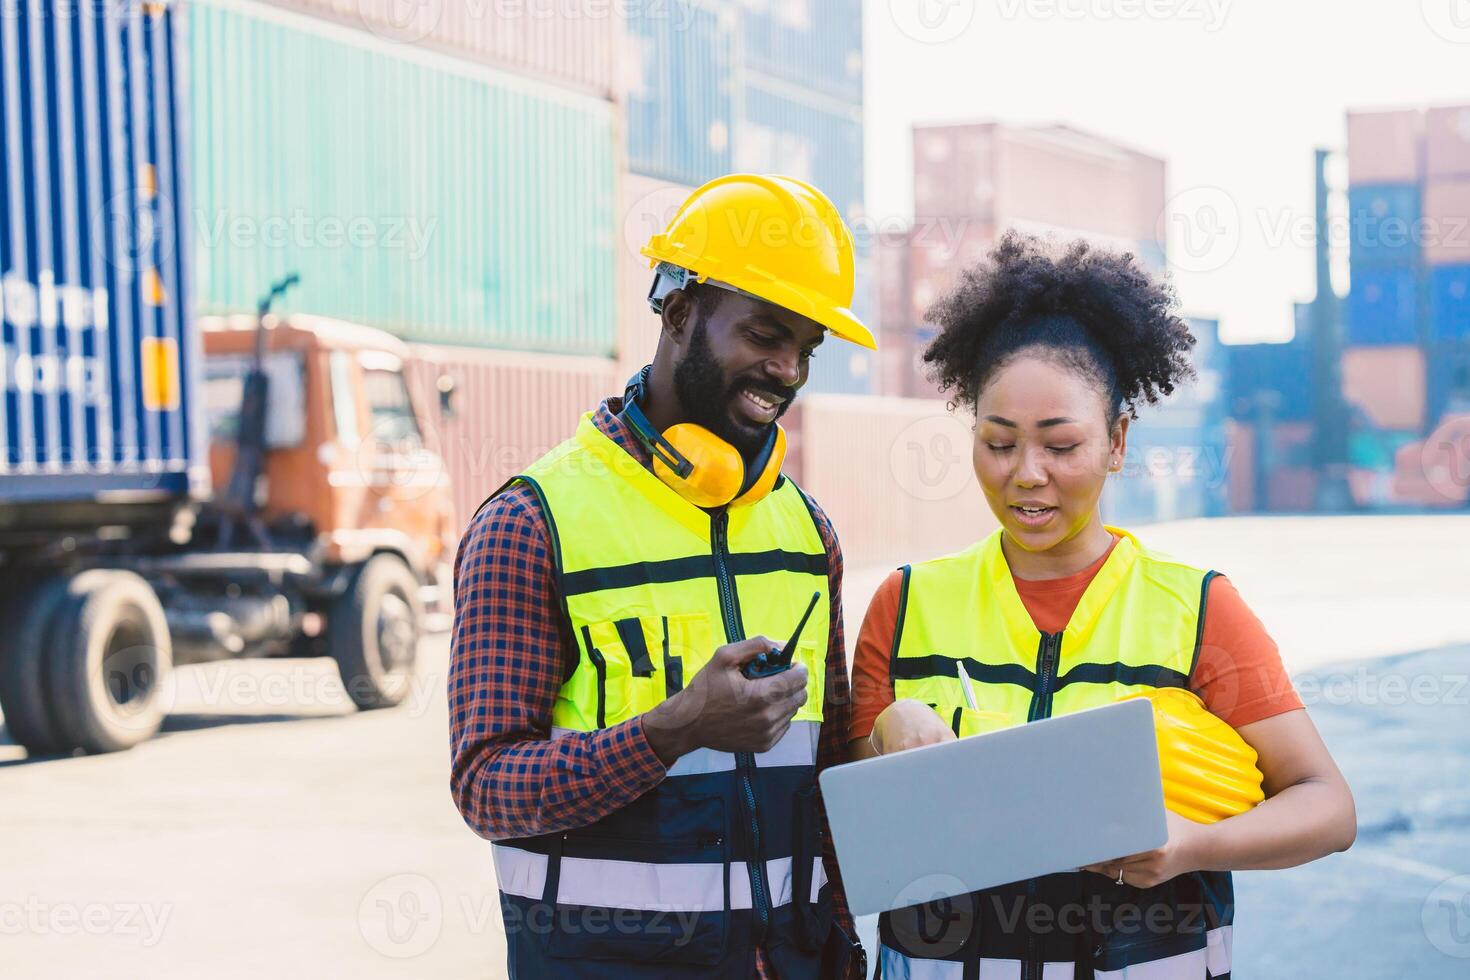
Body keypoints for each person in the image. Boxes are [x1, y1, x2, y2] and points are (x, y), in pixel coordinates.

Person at [848, 232, 1357, 978]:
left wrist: (1190, 845)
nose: (1026, 474)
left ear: (1118, 441)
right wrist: (885, 732)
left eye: (1060, 445)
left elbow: (1328, 807)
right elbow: (849, 821)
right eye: (999, 443)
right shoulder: (905, 602)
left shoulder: (1199, 609)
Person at [448, 174, 872, 978]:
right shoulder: (532, 524)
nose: (786, 369)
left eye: (806, 349)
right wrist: (671, 730)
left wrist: (845, 947)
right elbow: (487, 787)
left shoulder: (806, 533)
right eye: (765, 334)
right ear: (679, 313)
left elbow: (830, 785)